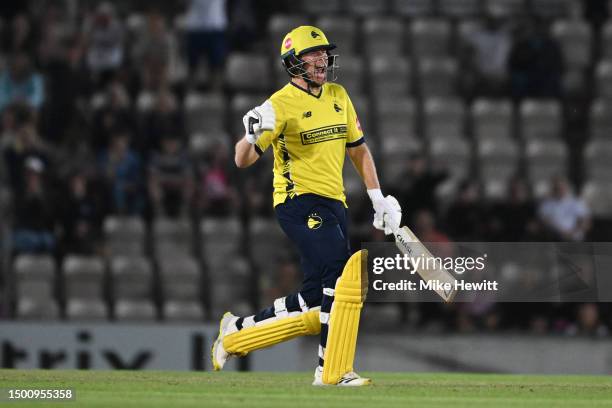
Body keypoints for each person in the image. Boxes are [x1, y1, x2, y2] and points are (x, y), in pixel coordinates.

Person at [210, 26, 402, 386]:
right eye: (313, 54)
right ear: (293, 63)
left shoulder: (338, 95)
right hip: (297, 202)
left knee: (316, 299)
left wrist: (378, 196)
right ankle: (330, 371)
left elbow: (358, 149)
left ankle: (235, 332)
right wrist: (250, 134)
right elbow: (241, 160)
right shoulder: (280, 104)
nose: (322, 60)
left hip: (334, 204)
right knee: (340, 270)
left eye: (324, 53)